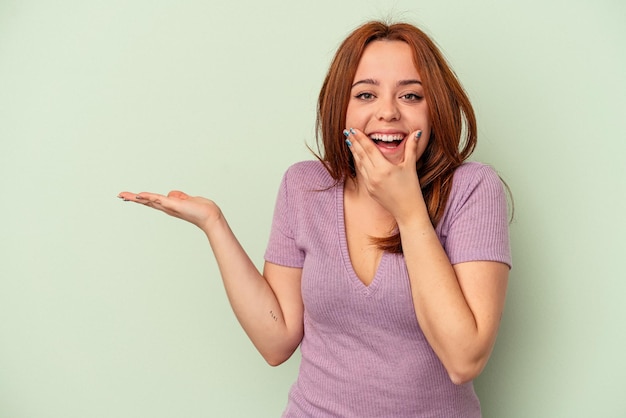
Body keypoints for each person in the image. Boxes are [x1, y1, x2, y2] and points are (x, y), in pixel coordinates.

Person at [119, 20, 511, 418]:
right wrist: (214, 224)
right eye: (366, 94)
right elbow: (276, 342)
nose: (388, 112)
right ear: (341, 107)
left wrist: (409, 210)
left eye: (411, 95)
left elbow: (464, 360)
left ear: (435, 108)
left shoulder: (472, 190)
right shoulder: (304, 186)